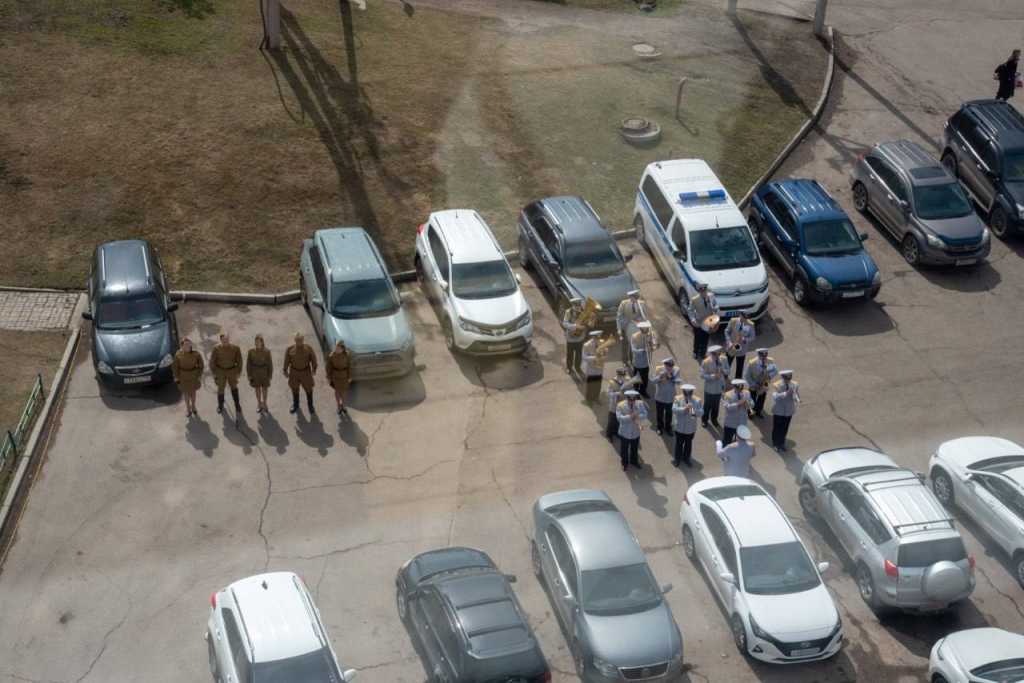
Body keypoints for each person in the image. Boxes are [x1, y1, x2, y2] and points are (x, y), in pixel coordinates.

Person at [284, 332, 318, 415]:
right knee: (294, 388)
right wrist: (285, 370)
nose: (299, 341)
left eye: (301, 340)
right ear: (295, 340)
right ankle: (296, 405)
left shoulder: (308, 348)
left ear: (303, 340)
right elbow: (286, 360)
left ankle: (310, 405)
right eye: (297, 340)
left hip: (305, 372)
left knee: (309, 389)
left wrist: (314, 369)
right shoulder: (290, 349)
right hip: (294, 372)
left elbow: (313, 359)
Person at [209, 331, 243, 416]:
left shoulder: (235, 348)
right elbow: (212, 361)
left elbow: (239, 361)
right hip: (220, 371)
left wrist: (239, 372)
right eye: (224, 340)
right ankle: (220, 406)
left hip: (232, 370)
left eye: (227, 340)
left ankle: (237, 405)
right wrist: (214, 373)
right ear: (221, 340)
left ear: (229, 339)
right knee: (220, 389)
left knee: (234, 388)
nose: (225, 342)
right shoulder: (216, 349)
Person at [171, 337, 204, 418]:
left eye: (189, 344)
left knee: (193, 393)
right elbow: (175, 367)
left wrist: (199, 375)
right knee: (186, 394)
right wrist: (176, 377)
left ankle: (193, 406)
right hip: (183, 377)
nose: (188, 346)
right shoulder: (178, 354)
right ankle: (188, 409)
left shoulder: (196, 354)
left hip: (193, 376)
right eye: (185, 345)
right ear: (182, 346)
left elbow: (201, 365)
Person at [672, 383, 702, 466]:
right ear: (683, 392)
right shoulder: (678, 398)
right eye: (686, 393)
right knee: (679, 444)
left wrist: (693, 409)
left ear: (692, 392)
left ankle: (686, 458)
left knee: (688, 444)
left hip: (690, 428)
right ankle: (677, 459)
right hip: (679, 427)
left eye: (689, 393)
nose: (687, 395)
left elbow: (701, 413)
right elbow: (674, 409)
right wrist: (684, 409)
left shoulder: (697, 400)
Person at [616, 389, 647, 471]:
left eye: (634, 399)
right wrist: (630, 417)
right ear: (627, 398)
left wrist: (638, 416)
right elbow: (619, 418)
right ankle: (624, 463)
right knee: (624, 449)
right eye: (630, 400)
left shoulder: (639, 404)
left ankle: (634, 461)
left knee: (634, 448)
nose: (632, 402)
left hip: (635, 431)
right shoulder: (620, 405)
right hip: (625, 432)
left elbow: (645, 414)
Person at [743, 348, 778, 419]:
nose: (764, 357)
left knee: (761, 399)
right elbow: (746, 375)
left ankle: (758, 411)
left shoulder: (770, 361)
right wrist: (753, 384)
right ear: (758, 354)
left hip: (764, 383)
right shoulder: (752, 363)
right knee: (752, 400)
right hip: (753, 384)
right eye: (762, 355)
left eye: (766, 355)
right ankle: (751, 413)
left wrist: (769, 376)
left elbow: (775, 370)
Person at [700, 345, 729, 428]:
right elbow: (702, 375)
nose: (717, 356)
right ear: (712, 354)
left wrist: (723, 370)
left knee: (716, 405)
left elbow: (728, 370)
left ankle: (714, 419)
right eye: (715, 354)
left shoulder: (724, 359)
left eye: (718, 354)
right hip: (709, 388)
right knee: (707, 405)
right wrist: (713, 376)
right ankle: (704, 420)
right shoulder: (706, 362)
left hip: (719, 387)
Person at [771, 370, 800, 453]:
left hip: (789, 410)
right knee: (777, 428)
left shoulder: (795, 384)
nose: (788, 380)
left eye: (790, 378)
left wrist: (797, 398)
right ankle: (776, 444)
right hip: (779, 410)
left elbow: (796, 394)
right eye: (787, 378)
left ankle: (782, 443)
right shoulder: (777, 385)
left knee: (785, 428)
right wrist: (786, 393)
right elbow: (775, 397)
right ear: (783, 377)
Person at [688, 283, 719, 360]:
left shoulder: (711, 297)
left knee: (705, 338)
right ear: (699, 291)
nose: (703, 293)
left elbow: (716, 305)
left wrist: (715, 308)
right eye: (702, 291)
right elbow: (690, 310)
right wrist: (693, 319)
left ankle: (703, 353)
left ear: (706, 290)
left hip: (708, 322)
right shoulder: (694, 299)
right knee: (698, 338)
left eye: (704, 291)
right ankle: (695, 352)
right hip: (698, 322)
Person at [606, 366, 638, 441]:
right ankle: (609, 434)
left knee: (619, 420)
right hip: (614, 405)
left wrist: (629, 392)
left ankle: (616, 432)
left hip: (623, 404)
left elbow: (632, 390)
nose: (622, 377)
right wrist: (616, 393)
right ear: (617, 374)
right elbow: (608, 393)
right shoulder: (612, 382)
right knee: (612, 421)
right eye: (620, 375)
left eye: (623, 375)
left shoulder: (627, 380)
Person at [651, 357, 680, 435]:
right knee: (659, 413)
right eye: (668, 366)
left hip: (670, 397)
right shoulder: (659, 369)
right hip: (660, 396)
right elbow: (653, 381)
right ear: (665, 365)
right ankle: (659, 427)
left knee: (669, 413)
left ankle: (668, 427)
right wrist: (660, 377)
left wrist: (671, 377)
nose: (670, 368)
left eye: (671, 366)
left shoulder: (676, 369)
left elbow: (678, 382)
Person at [616, 289, 647, 364]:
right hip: (626, 326)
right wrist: (619, 328)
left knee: (636, 344)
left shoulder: (642, 304)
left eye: (635, 297)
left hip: (637, 327)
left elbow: (644, 316)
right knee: (625, 344)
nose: (633, 299)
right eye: (631, 297)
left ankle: (636, 361)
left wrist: (639, 321)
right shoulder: (624, 303)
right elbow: (619, 316)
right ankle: (625, 361)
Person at [246, 334, 273, 414]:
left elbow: (270, 364)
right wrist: (249, 375)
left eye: (259, 342)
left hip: (264, 372)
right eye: (256, 341)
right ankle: (259, 404)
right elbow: (248, 364)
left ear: (262, 342)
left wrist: (270, 375)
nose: (257, 343)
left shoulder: (267, 351)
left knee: (265, 389)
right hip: (255, 373)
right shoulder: (251, 351)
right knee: (257, 389)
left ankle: (265, 403)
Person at [562, 297, 588, 376]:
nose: (577, 308)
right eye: (576, 306)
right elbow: (565, 323)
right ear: (573, 306)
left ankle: (578, 367)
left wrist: (588, 323)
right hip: (570, 338)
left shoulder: (584, 312)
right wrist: (575, 326)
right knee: (570, 354)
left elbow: (588, 324)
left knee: (579, 354)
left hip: (580, 338)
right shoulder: (568, 312)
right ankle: (569, 368)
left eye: (579, 306)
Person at [629, 321, 657, 397]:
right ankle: (635, 392)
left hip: (646, 362)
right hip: (637, 362)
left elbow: (653, 346)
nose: (648, 329)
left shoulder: (650, 336)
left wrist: (653, 347)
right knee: (636, 378)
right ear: (641, 328)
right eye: (646, 328)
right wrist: (642, 350)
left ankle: (643, 391)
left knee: (645, 378)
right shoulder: (634, 336)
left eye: (648, 328)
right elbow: (633, 349)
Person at [724, 314, 756, 380]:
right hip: (731, 347)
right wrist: (729, 342)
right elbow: (726, 331)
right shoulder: (733, 321)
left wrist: (745, 339)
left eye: (746, 318)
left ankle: (737, 382)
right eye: (743, 317)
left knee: (739, 367)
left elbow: (752, 337)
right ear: (740, 315)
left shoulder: (751, 324)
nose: (744, 319)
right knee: (727, 365)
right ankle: (724, 379)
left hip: (742, 349)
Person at [326, 339, 352, 417]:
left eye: (338, 348)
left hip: (344, 376)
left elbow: (349, 366)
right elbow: (328, 368)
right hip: (336, 376)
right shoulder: (332, 356)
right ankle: (338, 406)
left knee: (344, 393)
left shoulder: (347, 355)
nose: (336, 349)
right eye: (336, 347)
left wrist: (350, 376)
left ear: (342, 348)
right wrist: (329, 377)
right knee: (337, 392)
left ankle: (344, 406)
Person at [721, 378, 751, 445]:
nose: (740, 390)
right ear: (734, 386)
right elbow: (727, 407)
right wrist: (738, 404)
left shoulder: (747, 393)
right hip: (730, 423)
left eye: (741, 387)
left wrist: (748, 404)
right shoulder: (728, 394)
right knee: (726, 441)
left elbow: (752, 403)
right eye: (738, 387)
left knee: (741, 442)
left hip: (742, 422)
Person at [580, 330, 607, 403]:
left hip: (599, 368)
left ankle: (596, 397)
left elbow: (605, 353)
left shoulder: (602, 342)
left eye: (599, 337)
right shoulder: (587, 345)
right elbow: (584, 357)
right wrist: (594, 357)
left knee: (598, 384)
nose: (598, 339)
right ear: (593, 337)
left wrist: (603, 356)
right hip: (591, 368)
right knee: (590, 385)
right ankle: (589, 399)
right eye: (596, 338)